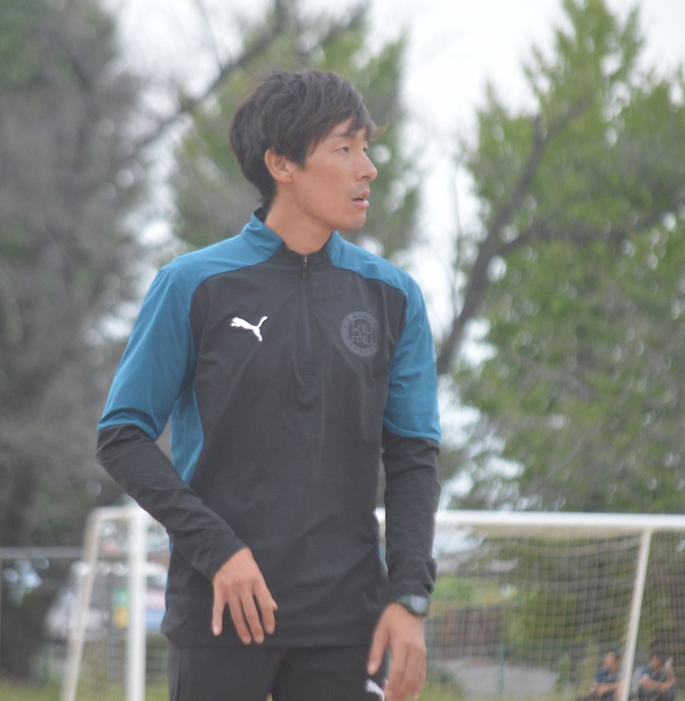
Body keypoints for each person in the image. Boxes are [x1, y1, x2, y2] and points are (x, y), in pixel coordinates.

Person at [96, 69, 441, 701]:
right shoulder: (192, 284)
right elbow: (122, 437)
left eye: (366, 146)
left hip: (349, 626)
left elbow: (414, 457)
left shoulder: (393, 295)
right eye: (344, 148)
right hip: (221, 615)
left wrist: (410, 594)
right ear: (281, 163)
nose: (367, 168)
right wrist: (218, 550)